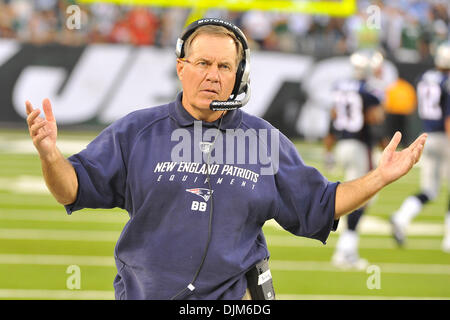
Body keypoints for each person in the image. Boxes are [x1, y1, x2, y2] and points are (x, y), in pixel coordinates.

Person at [25, 19, 427, 300]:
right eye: (202, 63)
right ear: (182, 69)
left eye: (224, 66)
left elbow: (319, 205)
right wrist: (50, 156)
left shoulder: (263, 140)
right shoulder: (137, 131)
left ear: (239, 76)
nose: (213, 75)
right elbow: (71, 189)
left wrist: (379, 177)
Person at [324, 49, 385, 269]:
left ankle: (346, 249)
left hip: (342, 144)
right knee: (362, 198)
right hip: (360, 146)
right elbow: (374, 120)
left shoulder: (340, 86)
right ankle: (345, 251)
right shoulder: (370, 91)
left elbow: (331, 118)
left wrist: (328, 151)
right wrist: (384, 146)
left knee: (356, 194)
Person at [390, 41, 450, 252]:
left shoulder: (424, 78)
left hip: (427, 137)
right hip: (444, 137)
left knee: (430, 190)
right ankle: (448, 239)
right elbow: (448, 118)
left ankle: (401, 217)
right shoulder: (446, 81)